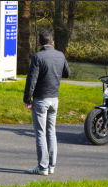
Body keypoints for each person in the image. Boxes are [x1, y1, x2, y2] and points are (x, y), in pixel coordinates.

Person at [23, 30, 71, 175]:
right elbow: (67, 73)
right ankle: (51, 166)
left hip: (41, 100)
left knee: (40, 134)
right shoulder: (60, 55)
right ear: (52, 42)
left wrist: (27, 99)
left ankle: (42, 167)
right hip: (54, 99)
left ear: (39, 43)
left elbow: (32, 80)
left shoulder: (37, 57)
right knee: (51, 133)